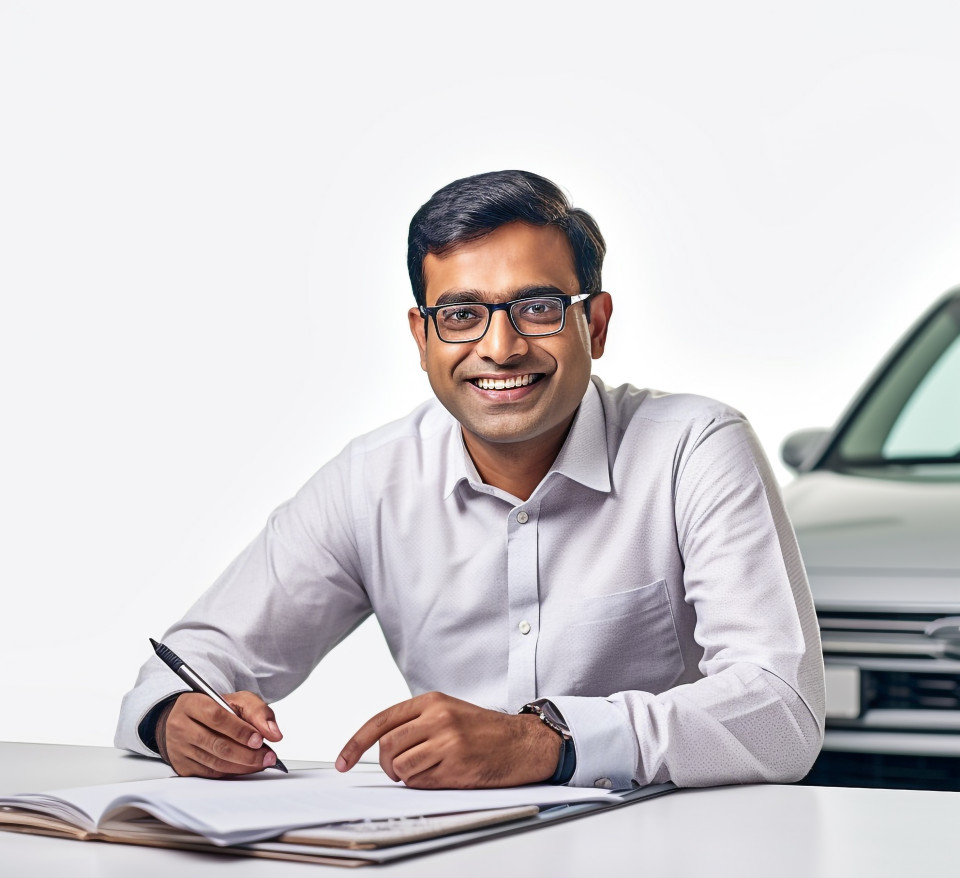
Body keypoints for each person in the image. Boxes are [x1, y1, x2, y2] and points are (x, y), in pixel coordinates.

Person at [116, 170, 825, 789]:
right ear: (422, 339)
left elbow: (779, 709)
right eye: (459, 315)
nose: (500, 346)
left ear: (596, 325)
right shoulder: (373, 481)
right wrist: (177, 719)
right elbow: (184, 666)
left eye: (538, 308)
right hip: (449, 873)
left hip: (673, 871)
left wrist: (549, 741)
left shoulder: (693, 449)